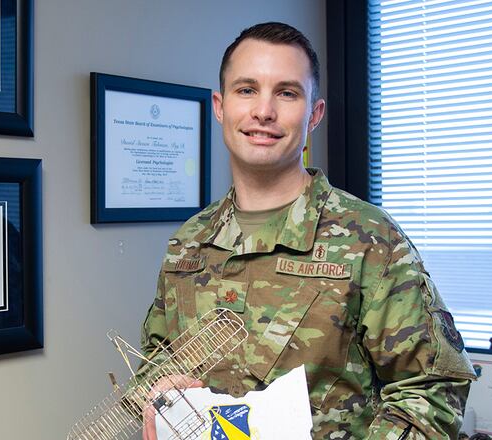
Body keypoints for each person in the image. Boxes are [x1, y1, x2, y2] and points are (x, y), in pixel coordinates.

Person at [141, 22, 475, 440]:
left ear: (314, 114)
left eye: (287, 92)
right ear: (220, 107)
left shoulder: (370, 239)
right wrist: (157, 396)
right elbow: (157, 362)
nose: (263, 111)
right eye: (247, 90)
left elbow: (433, 390)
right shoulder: (189, 242)